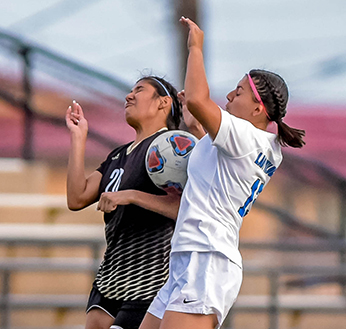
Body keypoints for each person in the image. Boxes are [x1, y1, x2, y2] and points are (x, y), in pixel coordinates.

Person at [138, 17, 305, 329]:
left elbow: (200, 100)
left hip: (207, 259)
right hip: (192, 256)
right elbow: (219, 162)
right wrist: (194, 125)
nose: (229, 95)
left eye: (239, 91)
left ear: (258, 110)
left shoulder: (246, 138)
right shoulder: (253, 142)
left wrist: (195, 47)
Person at [65, 75, 183, 329]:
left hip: (149, 283)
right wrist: (78, 137)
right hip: (109, 280)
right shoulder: (118, 154)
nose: (129, 96)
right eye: (130, 91)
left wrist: (130, 196)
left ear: (163, 102)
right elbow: (77, 198)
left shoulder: (172, 150)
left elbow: (183, 209)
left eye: (139, 90)